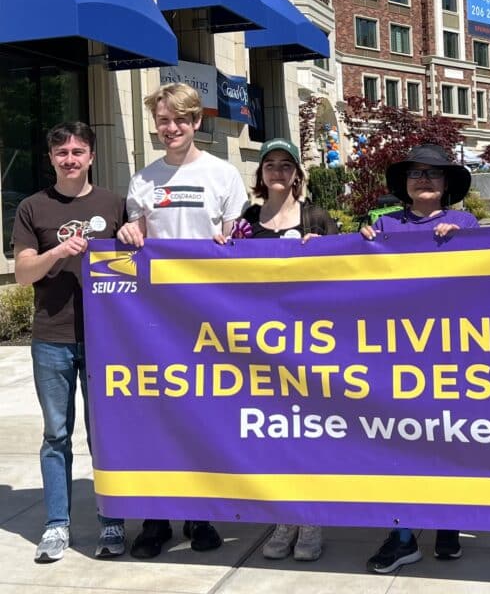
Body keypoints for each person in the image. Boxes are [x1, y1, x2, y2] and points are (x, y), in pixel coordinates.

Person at [117, 82, 249, 559]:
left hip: (208, 318)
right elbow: (137, 236)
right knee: (157, 415)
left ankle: (201, 512)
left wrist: (229, 244)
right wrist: (129, 228)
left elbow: (239, 239)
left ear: (196, 122)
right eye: (163, 120)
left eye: (179, 120)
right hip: (154, 320)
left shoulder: (223, 175)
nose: (170, 128)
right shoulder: (144, 180)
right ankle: (156, 520)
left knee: (202, 418)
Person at [13, 122, 127, 562]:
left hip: (107, 339)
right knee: (56, 435)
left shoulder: (114, 204)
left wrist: (135, 236)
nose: (70, 159)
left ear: (92, 156)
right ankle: (57, 525)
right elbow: (23, 273)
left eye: (79, 151)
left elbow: (139, 261)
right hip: (52, 338)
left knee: (105, 434)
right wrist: (58, 253)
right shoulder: (32, 208)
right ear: (51, 159)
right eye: (62, 153)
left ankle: (112, 522)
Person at [360, 144, 477, 572]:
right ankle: (404, 533)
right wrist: (362, 247)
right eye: (415, 174)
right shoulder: (384, 225)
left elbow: (487, 278)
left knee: (449, 440)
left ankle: (448, 523)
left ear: (447, 184)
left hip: (450, 351)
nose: (423, 180)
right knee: (402, 442)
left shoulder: (465, 223)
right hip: (398, 354)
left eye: (433, 173)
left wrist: (465, 245)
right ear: (404, 184)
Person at [231, 137, 338, 561]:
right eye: (269, 164)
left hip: (312, 346)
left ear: (297, 173)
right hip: (260, 348)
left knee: (307, 432)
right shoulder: (248, 219)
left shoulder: (316, 217)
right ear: (261, 174)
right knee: (273, 435)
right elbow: (228, 274)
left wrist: (327, 253)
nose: (277, 171)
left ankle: (310, 518)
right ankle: (283, 517)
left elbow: (351, 276)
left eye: (285, 164)